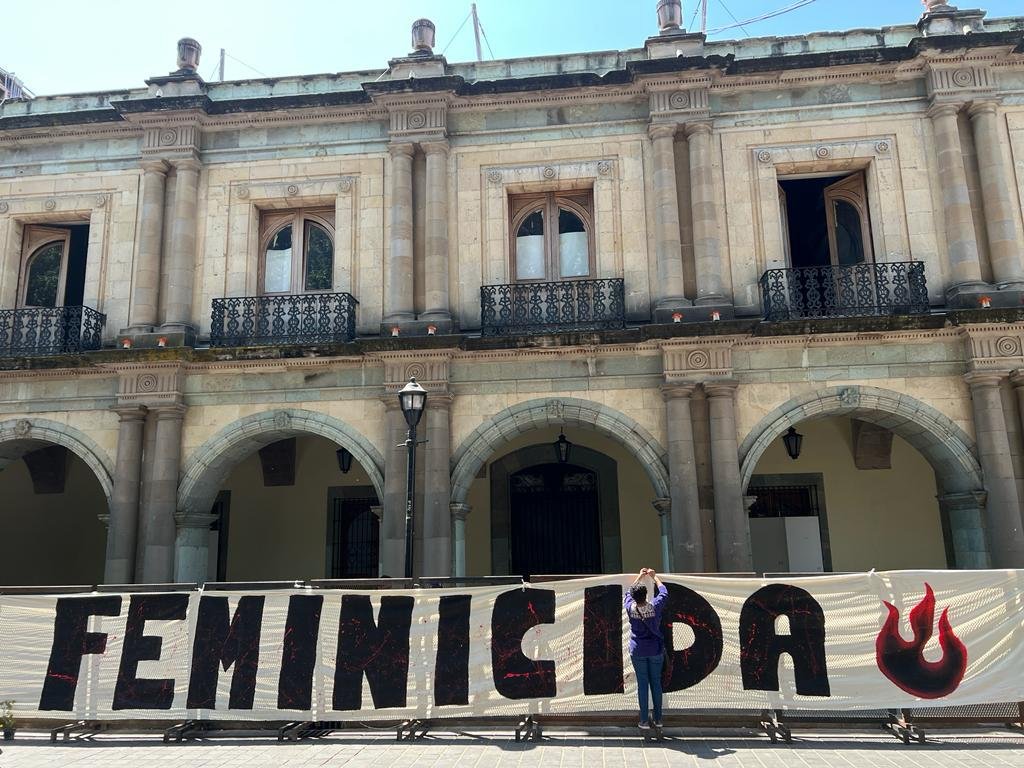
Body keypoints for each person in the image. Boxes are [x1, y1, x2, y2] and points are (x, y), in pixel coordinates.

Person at [624, 567, 668, 730]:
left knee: (642, 685)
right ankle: (658, 719)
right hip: (655, 649)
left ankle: (643, 720)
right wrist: (654, 577)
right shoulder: (654, 607)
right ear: (646, 595)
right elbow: (664, 593)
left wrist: (639, 577)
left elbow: (627, 592)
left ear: (635, 597)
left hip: (638, 650)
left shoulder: (630, 608)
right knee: (656, 683)